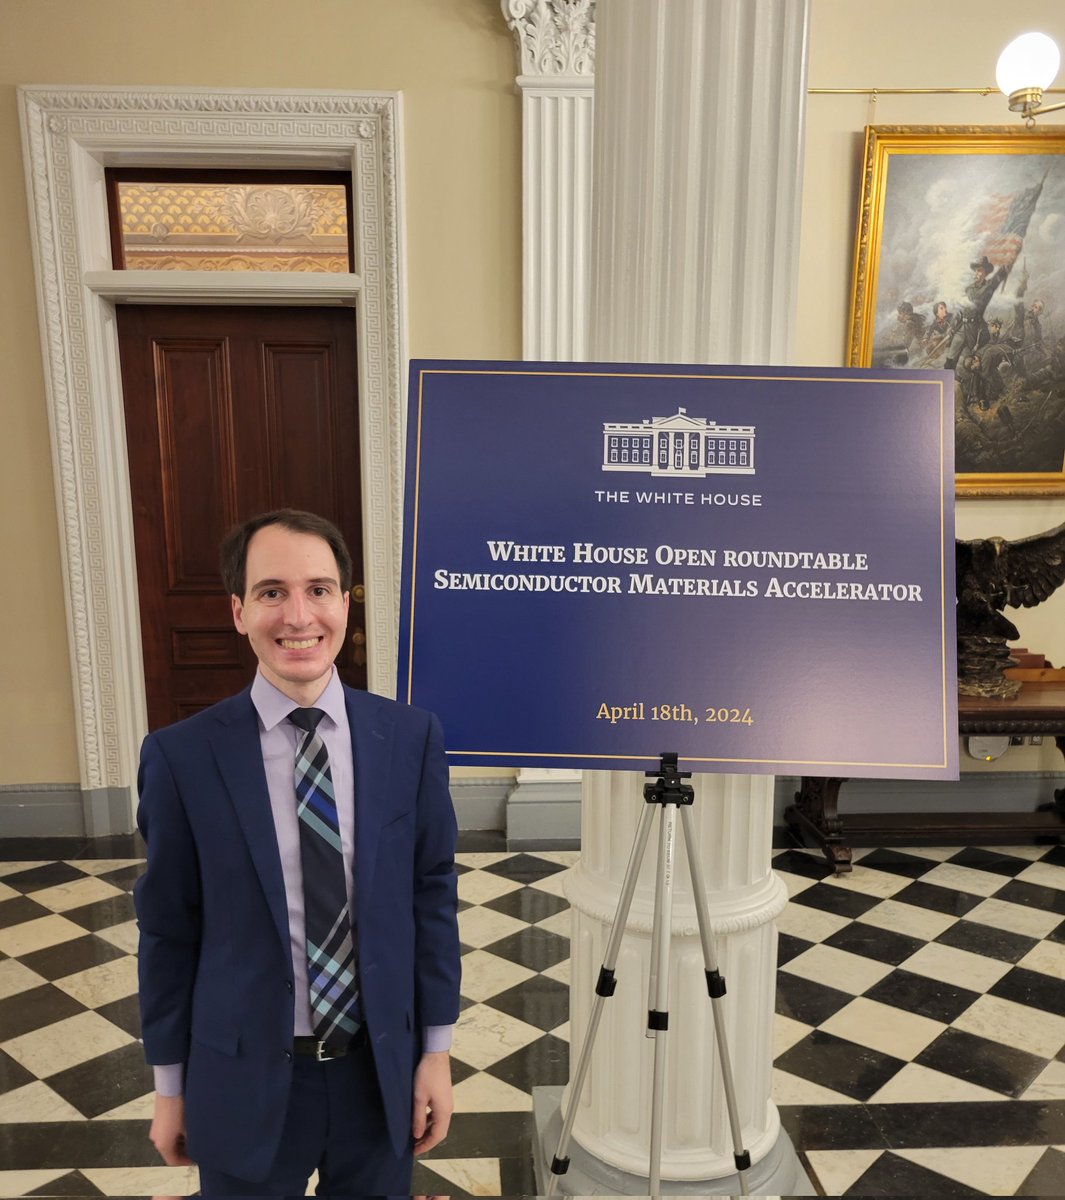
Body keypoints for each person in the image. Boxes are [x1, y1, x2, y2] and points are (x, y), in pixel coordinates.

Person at [134, 508, 460, 1197]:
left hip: (378, 1077)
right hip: (241, 1078)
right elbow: (168, 930)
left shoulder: (409, 740)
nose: (298, 615)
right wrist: (169, 1086)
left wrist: (435, 1052)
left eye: (318, 589)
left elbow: (430, 899)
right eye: (271, 592)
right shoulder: (181, 757)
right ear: (238, 611)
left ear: (345, 602)